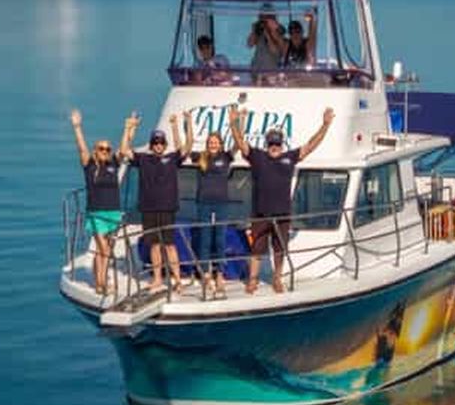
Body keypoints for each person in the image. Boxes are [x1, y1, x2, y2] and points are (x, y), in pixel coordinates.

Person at [229, 105, 335, 294]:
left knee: (279, 250)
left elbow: (311, 145)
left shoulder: (290, 157)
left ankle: (277, 279)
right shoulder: (257, 157)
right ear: (267, 144)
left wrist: (325, 125)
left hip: (283, 215)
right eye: (271, 143)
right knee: (257, 250)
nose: (274, 147)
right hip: (260, 214)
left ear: (282, 145)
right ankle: (252, 280)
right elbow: (240, 142)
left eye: (277, 144)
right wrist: (233, 123)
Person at [122, 111, 193, 292]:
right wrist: (128, 128)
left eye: (161, 142)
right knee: (154, 245)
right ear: (151, 145)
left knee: (169, 245)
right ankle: (158, 279)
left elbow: (186, 147)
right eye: (155, 142)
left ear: (165, 144)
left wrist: (182, 124)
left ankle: (177, 279)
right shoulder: (143, 159)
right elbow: (124, 151)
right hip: (148, 208)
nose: (158, 145)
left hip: (167, 208)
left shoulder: (172, 159)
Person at [69, 108, 131, 295]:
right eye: (102, 149)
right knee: (104, 249)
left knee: (105, 249)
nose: (105, 151)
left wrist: (127, 129)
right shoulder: (89, 165)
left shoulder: (113, 164)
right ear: (96, 151)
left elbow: (123, 148)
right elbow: (82, 148)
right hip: (96, 213)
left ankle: (99, 281)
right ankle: (101, 284)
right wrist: (77, 127)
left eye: (107, 149)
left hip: (113, 212)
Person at [189, 131, 234, 297]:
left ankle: (220, 274)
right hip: (204, 203)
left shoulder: (226, 157)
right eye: (210, 142)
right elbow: (186, 149)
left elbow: (237, 144)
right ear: (207, 144)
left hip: (222, 203)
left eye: (215, 142)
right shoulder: (201, 157)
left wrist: (237, 123)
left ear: (220, 144)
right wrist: (187, 125)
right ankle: (206, 274)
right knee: (205, 239)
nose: (213, 145)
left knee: (220, 239)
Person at [247, 6, 285, 79]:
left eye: (267, 17)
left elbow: (275, 50)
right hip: (257, 73)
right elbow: (249, 44)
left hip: (271, 74)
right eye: (261, 17)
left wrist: (268, 32)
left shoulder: (278, 31)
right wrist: (254, 31)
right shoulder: (259, 30)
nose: (264, 20)